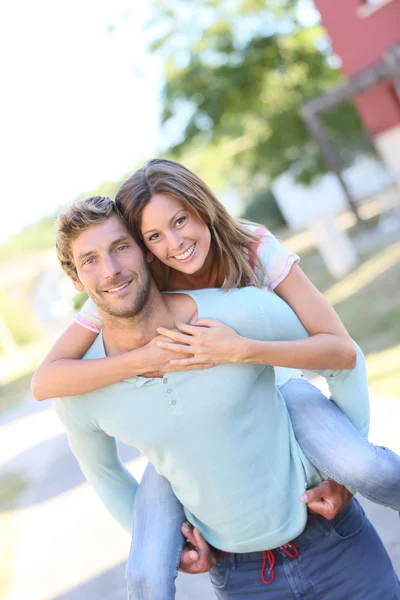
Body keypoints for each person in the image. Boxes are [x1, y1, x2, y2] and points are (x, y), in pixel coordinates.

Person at [32, 159, 400, 595]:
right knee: (147, 574)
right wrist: (142, 359)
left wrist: (345, 475)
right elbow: (47, 387)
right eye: (154, 236)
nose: (110, 269)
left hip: (297, 436)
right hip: (238, 571)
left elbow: (341, 352)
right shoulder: (105, 314)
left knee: (371, 468)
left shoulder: (250, 264)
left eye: (120, 248)